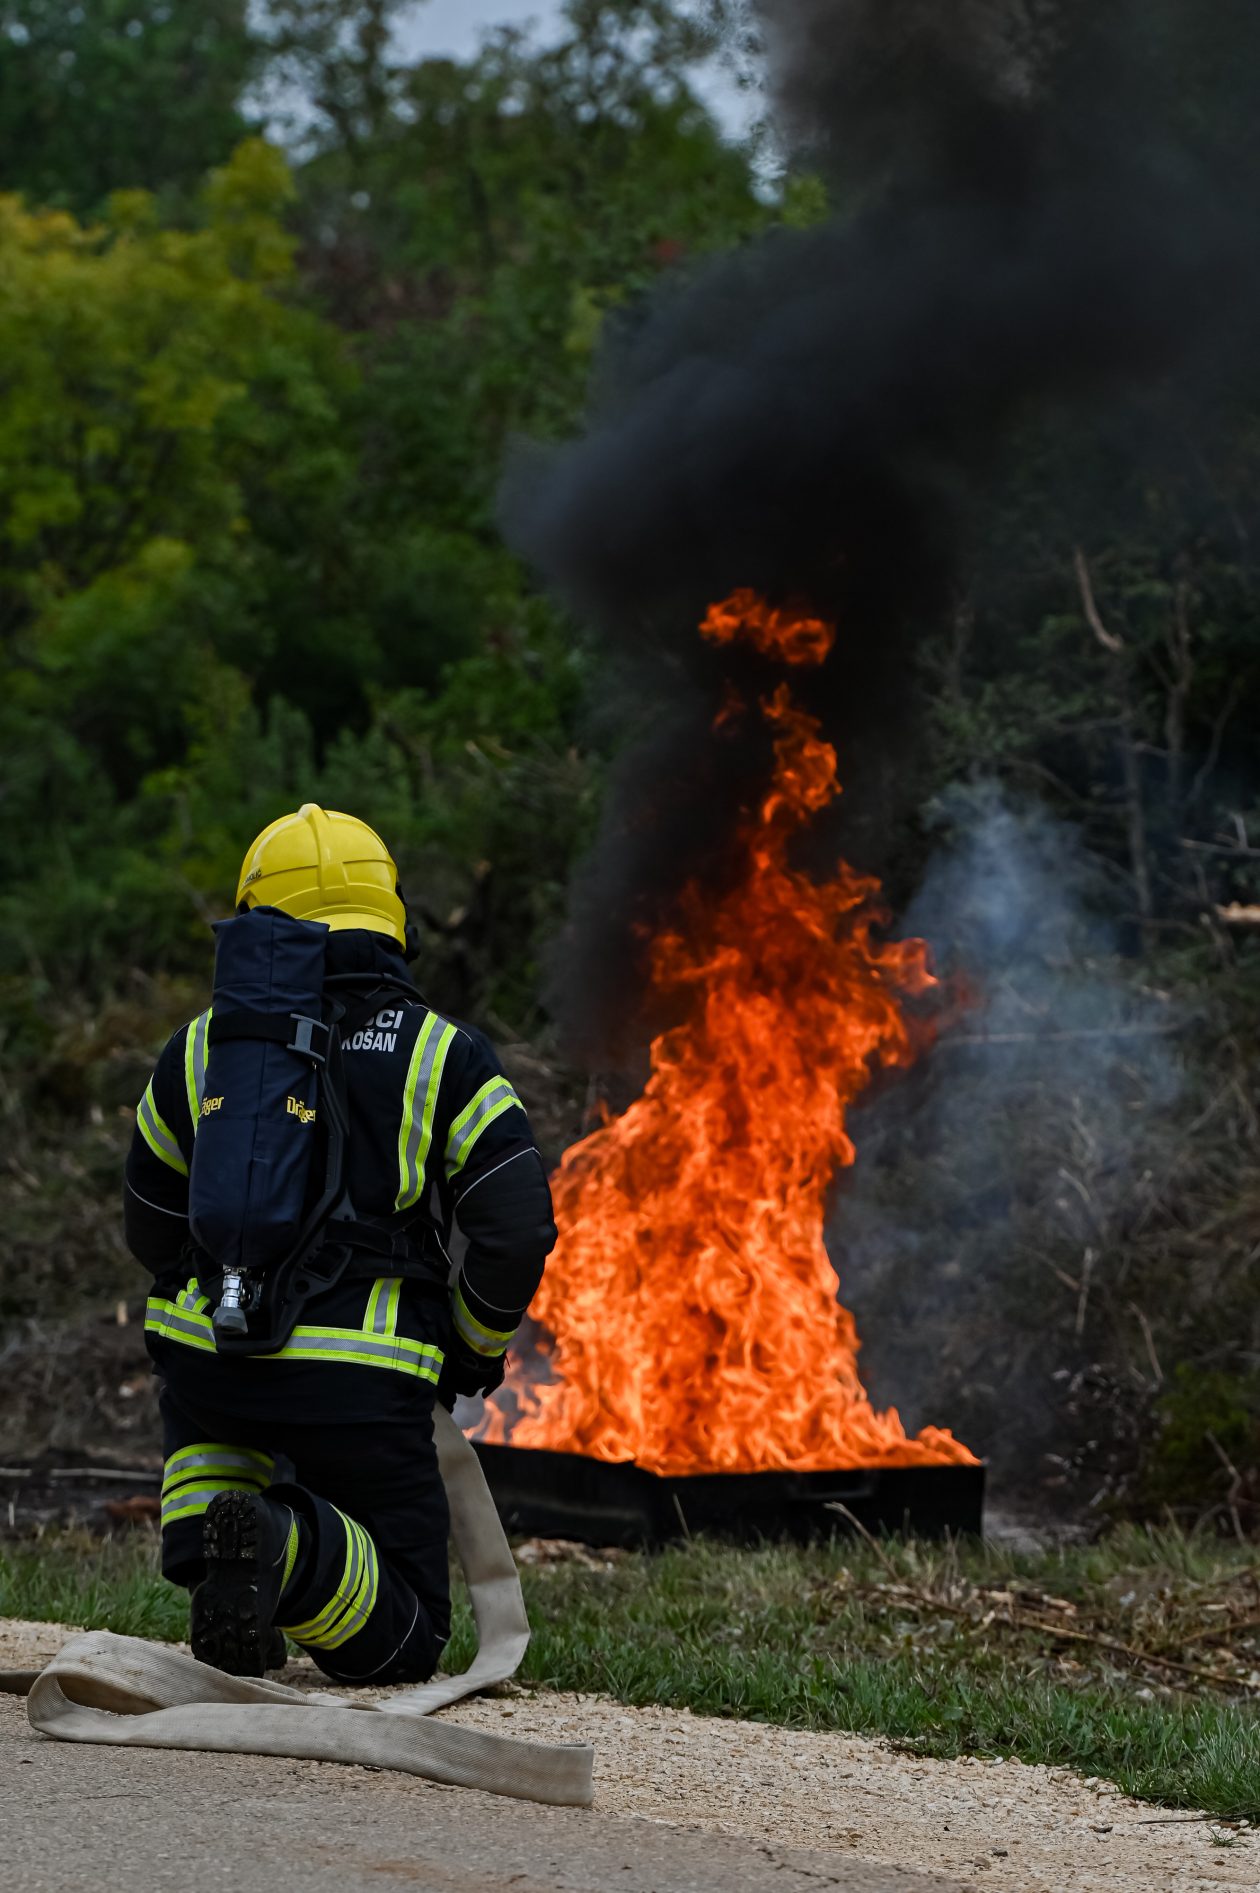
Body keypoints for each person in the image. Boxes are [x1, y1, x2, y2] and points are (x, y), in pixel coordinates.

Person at [124, 803, 556, 1683]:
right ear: (390, 918)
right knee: (408, 1632)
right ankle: (289, 1550)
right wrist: (472, 1346)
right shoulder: (441, 1054)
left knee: (208, 1398)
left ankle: (219, 1543)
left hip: (211, 1362)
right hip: (362, 1382)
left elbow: (150, 1219)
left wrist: (218, 1294)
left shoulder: (200, 1050)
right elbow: (514, 1225)